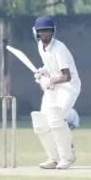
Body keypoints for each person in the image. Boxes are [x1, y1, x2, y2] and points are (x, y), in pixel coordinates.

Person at [31, 16, 81, 170]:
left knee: (55, 117)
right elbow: (50, 64)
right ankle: (54, 157)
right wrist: (43, 72)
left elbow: (67, 76)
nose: (45, 35)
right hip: (53, 85)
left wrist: (49, 81)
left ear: (53, 32)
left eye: (48, 32)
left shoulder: (59, 48)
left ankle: (67, 157)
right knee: (41, 122)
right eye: (42, 32)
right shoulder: (40, 46)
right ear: (36, 33)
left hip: (68, 87)